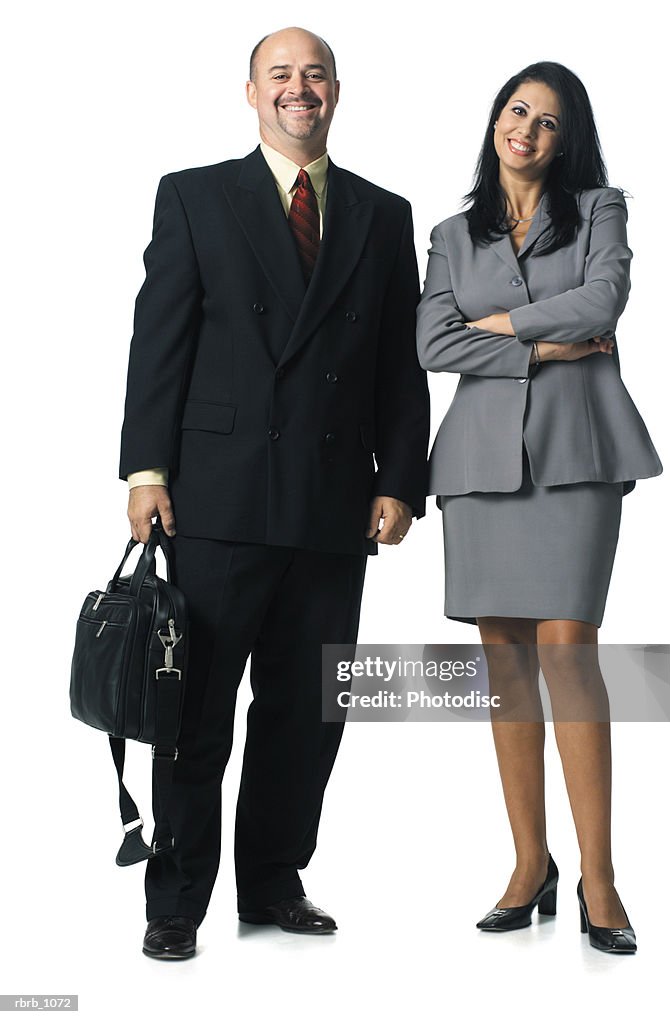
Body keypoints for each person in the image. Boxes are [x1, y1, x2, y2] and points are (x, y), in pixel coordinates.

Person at [119, 25, 430, 959]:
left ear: (338, 92)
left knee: (309, 709)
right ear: (251, 92)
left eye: (316, 75)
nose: (300, 89)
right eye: (281, 75)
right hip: (217, 499)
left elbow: (398, 368)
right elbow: (158, 343)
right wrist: (146, 471)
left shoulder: (383, 213)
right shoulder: (195, 196)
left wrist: (402, 479)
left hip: (335, 505)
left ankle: (273, 881)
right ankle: (175, 902)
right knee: (195, 710)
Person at [416, 61, 662, 954]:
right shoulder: (450, 233)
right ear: (496, 121)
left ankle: (600, 878)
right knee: (506, 663)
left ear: (568, 138)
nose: (527, 129)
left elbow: (604, 298)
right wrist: (544, 350)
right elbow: (429, 340)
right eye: (517, 111)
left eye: (549, 121)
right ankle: (531, 865)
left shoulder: (598, 209)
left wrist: (496, 330)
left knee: (567, 650)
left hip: (578, 450)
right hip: (481, 462)